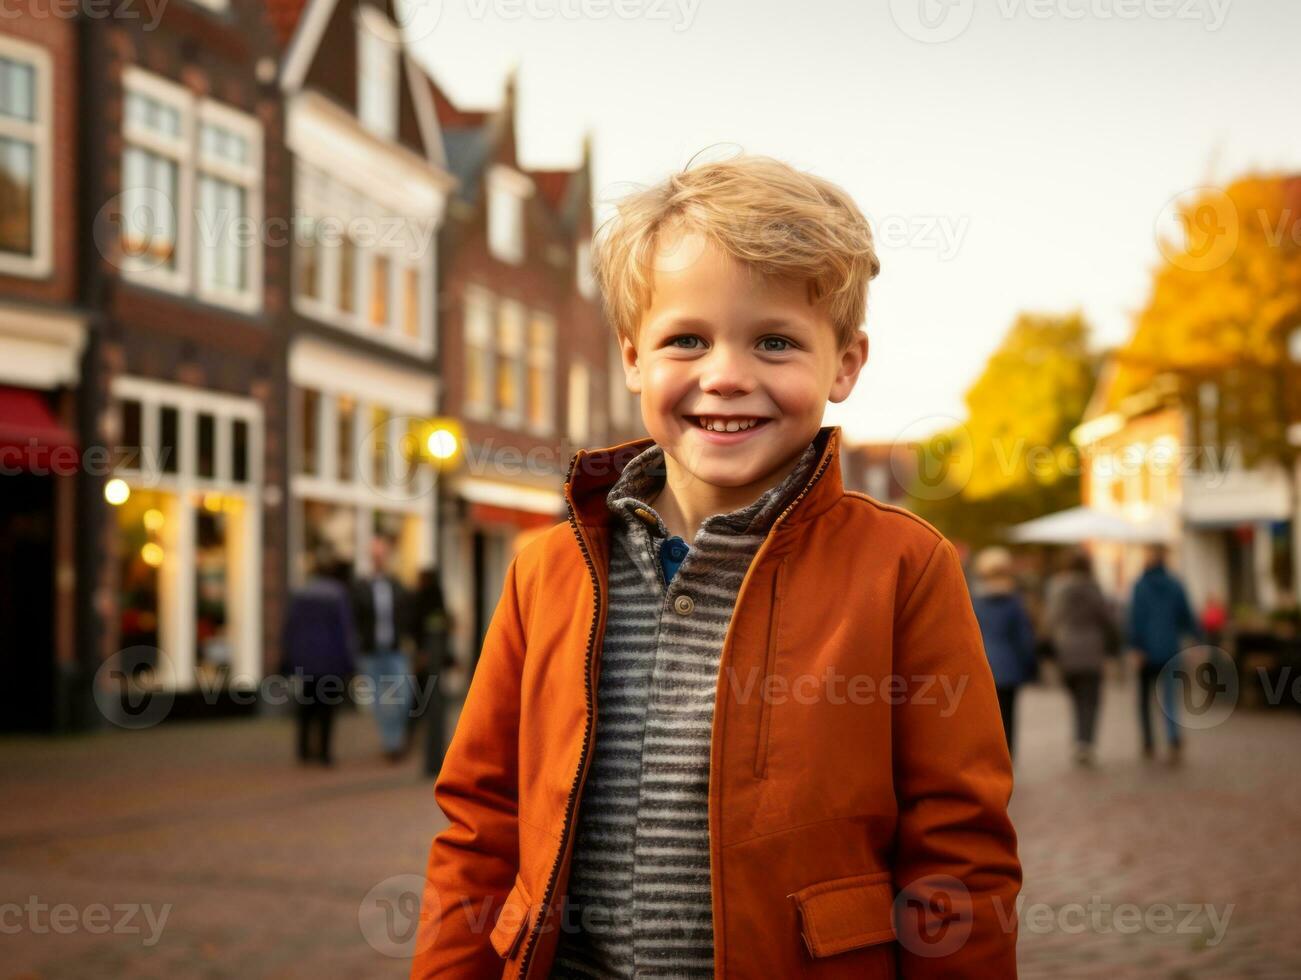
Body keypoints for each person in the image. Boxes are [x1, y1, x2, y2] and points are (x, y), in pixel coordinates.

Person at [410, 154, 1020, 978]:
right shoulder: (546, 571)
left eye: (774, 341)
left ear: (843, 363)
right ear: (631, 358)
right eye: (685, 340)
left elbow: (958, 853)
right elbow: (480, 824)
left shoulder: (903, 569)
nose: (726, 375)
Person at [1042, 548, 1120, 768]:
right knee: (1091, 699)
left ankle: (1079, 740)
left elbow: (1050, 620)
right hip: (1091, 651)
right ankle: (1085, 741)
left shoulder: (1057, 589)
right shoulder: (1093, 589)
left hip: (1066, 651)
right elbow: (1107, 620)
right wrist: (1114, 647)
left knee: (1076, 698)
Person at [1128, 543, 1202, 764]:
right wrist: (1198, 640)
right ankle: (1172, 736)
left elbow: (1134, 619)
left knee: (1143, 700)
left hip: (1145, 652)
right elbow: (1187, 616)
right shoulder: (1175, 584)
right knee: (1169, 698)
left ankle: (1148, 741)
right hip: (1170, 649)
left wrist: (1135, 646)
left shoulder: (1140, 586)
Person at [280, 549, 356, 767]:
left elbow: (290, 627)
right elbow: (345, 630)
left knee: (306, 705)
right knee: (327, 708)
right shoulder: (338, 594)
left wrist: (288, 657)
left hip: (305, 660)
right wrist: (349, 662)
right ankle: (323, 752)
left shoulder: (301, 592)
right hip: (330, 661)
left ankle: (303, 750)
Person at [351, 535, 415, 762]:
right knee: (380, 699)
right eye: (375, 555)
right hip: (371, 652)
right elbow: (354, 619)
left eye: (382, 555)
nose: (378, 559)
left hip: (395, 649)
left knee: (402, 695)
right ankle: (391, 743)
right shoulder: (360, 587)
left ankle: (397, 737)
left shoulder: (397, 586)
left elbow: (408, 614)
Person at [971, 546, 1037, 762]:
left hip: (983, 666)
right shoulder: (1013, 601)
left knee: (986, 715)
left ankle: (988, 755)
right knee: (1008, 714)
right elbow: (1024, 638)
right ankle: (1007, 757)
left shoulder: (974, 600)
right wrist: (1030, 666)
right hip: (1010, 667)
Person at [408, 565, 453, 776]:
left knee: (422, 705)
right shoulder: (437, 600)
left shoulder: (422, 599)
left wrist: (421, 653)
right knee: (431, 706)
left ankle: (429, 759)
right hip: (435, 661)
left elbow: (417, 626)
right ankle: (433, 759)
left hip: (429, 660)